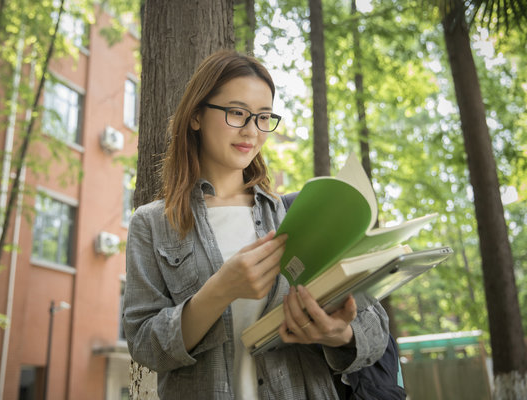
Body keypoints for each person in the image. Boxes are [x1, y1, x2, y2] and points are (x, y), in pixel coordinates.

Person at [122, 50, 389, 399]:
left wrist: (337, 333)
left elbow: (375, 331)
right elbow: (144, 345)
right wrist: (221, 289)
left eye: (263, 117)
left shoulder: (294, 216)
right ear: (197, 116)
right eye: (237, 113)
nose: (252, 130)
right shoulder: (152, 223)